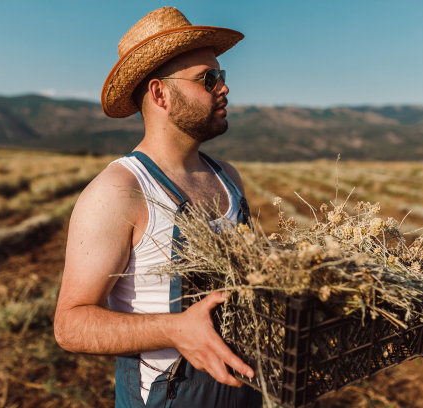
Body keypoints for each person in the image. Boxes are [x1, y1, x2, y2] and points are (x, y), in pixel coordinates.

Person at [53, 7, 262, 408]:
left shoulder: (228, 178)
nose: (224, 89)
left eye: (223, 77)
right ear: (160, 93)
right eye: (209, 79)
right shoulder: (120, 190)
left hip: (243, 390)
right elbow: (70, 324)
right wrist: (175, 330)